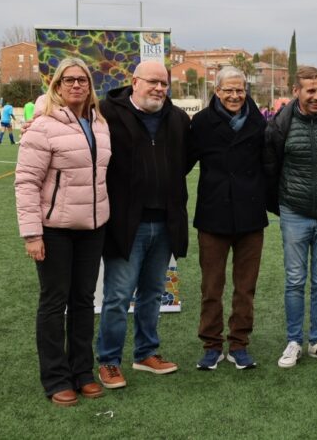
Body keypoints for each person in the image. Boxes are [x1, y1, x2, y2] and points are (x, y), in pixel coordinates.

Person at [14, 58, 111, 407]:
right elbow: (26, 182)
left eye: (82, 80)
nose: (76, 85)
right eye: (68, 80)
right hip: (54, 230)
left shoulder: (100, 123)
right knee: (54, 303)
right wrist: (32, 234)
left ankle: (82, 372)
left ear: (89, 85)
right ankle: (56, 378)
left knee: (84, 301)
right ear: (56, 86)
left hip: (92, 228)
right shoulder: (42, 126)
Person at [95, 60, 190, 388]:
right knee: (118, 296)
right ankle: (108, 360)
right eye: (153, 82)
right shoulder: (106, 112)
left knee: (152, 294)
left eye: (164, 83)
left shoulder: (176, 118)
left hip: (165, 223)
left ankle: (145, 353)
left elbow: (185, 162)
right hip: (125, 225)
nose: (160, 89)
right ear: (134, 82)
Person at [264, 66, 317, 368]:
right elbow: (270, 170)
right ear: (296, 91)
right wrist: (285, 205)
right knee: (295, 280)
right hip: (294, 212)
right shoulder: (279, 125)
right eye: (310, 91)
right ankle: (293, 341)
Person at [187, 67, 268, 371]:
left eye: (240, 90)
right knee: (211, 287)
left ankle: (239, 343)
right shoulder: (202, 123)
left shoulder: (259, 122)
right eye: (228, 90)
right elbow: (182, 161)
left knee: (245, 288)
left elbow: (269, 165)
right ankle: (211, 344)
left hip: (250, 217)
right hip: (213, 216)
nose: (235, 96)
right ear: (216, 91)